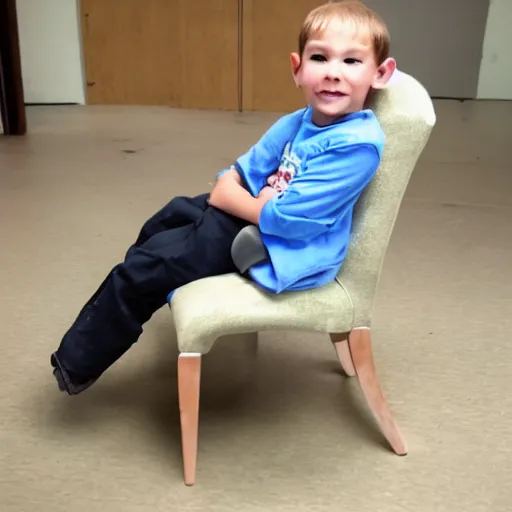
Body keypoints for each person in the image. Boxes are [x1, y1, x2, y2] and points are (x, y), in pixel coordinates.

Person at [50, 0, 397, 395]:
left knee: (144, 269)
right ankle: (154, 280)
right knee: (166, 219)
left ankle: (75, 364)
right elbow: (240, 171)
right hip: (255, 215)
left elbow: (288, 222)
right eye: (320, 57)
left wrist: (239, 198)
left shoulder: (356, 146)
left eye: (352, 62)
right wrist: (246, 196)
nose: (333, 73)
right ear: (297, 68)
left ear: (380, 73)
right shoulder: (300, 121)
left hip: (280, 247)